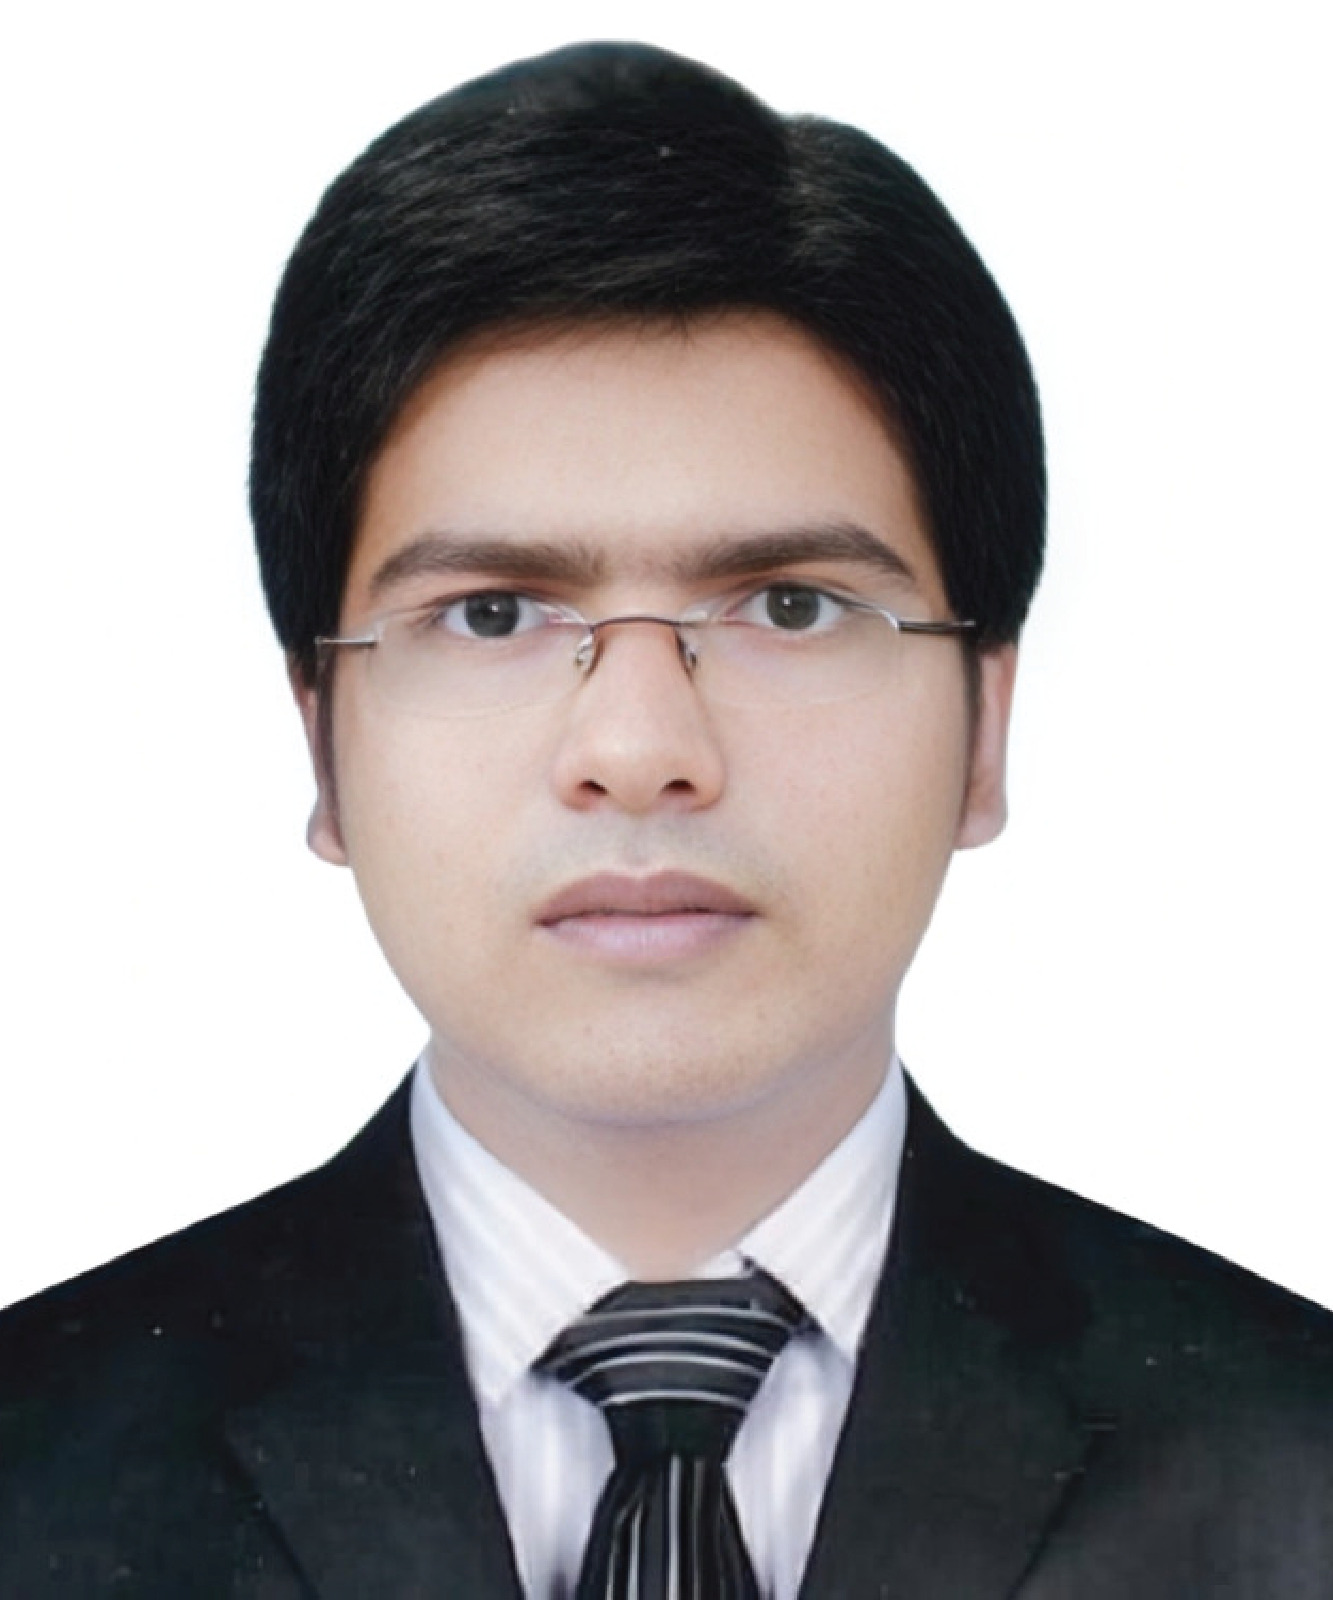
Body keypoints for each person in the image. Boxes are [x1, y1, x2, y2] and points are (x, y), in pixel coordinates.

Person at [1, 39, 1330, 1599]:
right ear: (323, 740)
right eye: (492, 613)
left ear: (985, 725)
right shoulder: (34, 1469)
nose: (638, 753)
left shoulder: (1294, 1465)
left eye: (790, 604)